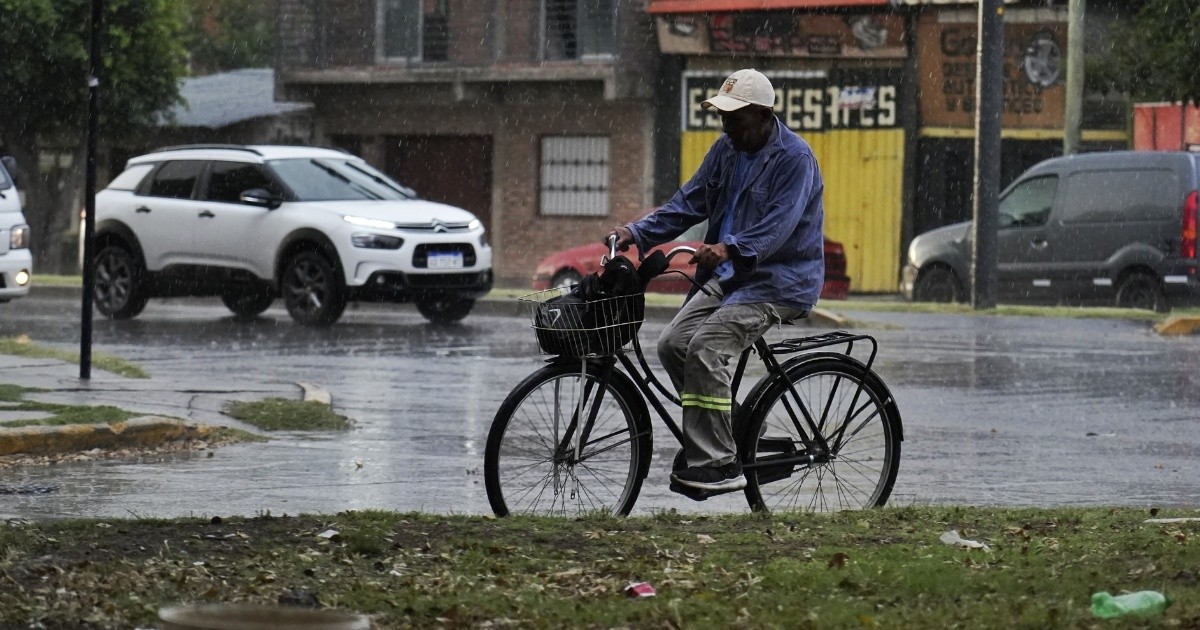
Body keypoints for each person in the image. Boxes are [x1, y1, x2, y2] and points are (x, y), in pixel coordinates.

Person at [609, 68, 825, 495]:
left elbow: (777, 226)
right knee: (673, 344)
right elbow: (687, 203)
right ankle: (730, 433)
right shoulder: (725, 151)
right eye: (722, 117)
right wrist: (638, 232)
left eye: (735, 117)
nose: (726, 126)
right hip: (730, 278)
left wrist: (729, 248)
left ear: (763, 115)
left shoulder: (795, 159)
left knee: (706, 349)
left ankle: (721, 463)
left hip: (779, 282)